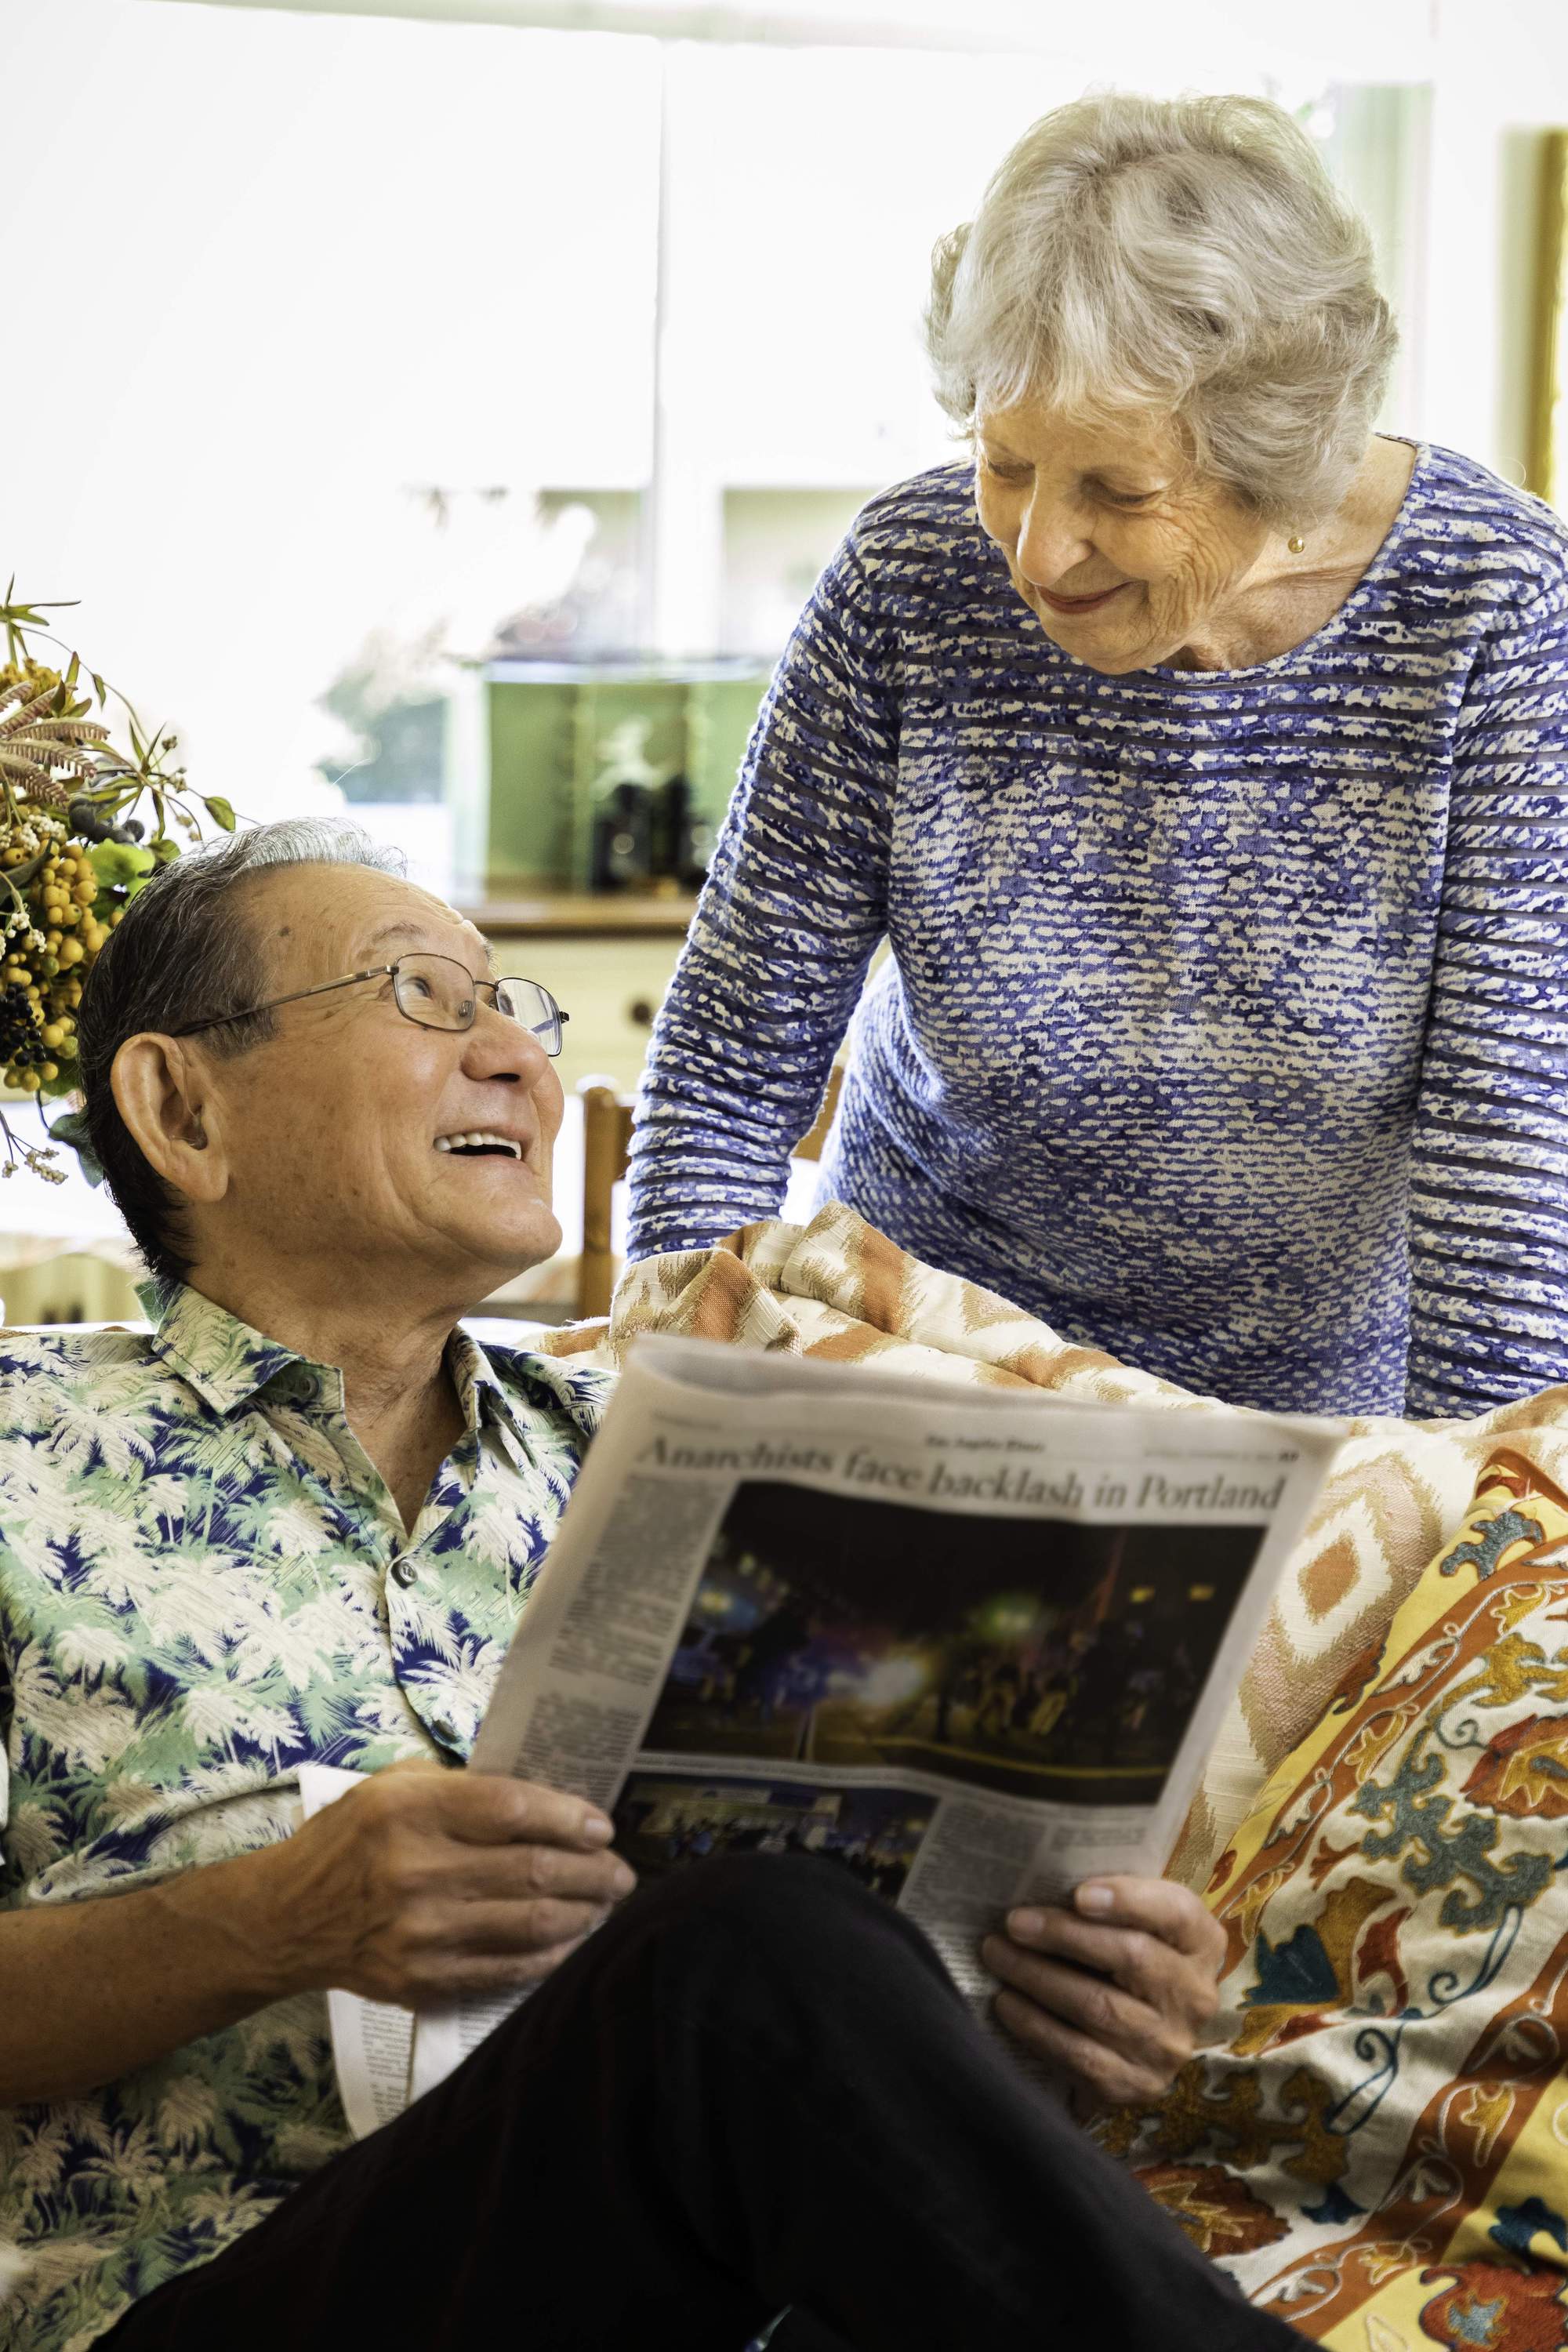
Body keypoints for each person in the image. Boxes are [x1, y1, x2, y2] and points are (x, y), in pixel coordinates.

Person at [0, 822, 1290, 2352]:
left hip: (699, 2308)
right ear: (180, 1104)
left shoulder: (686, 1458)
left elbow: (799, 2063)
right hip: (228, 2306)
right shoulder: (24, 1448)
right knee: (733, 1947)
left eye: (522, 1018)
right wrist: (269, 1924)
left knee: (773, 1965)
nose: (520, 1069)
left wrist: (1043, 2031)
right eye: (423, 997)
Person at [625, 90, 1568, 1421]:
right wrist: (680, 1397)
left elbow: (1511, 1161)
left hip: (1306, 1440)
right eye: (1004, 464)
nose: (1035, 552)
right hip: (914, 1381)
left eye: (1118, 494)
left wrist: (1471, 1531)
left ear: (1285, 465)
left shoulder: (1494, 604)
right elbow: (730, 1064)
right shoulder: (908, 580)